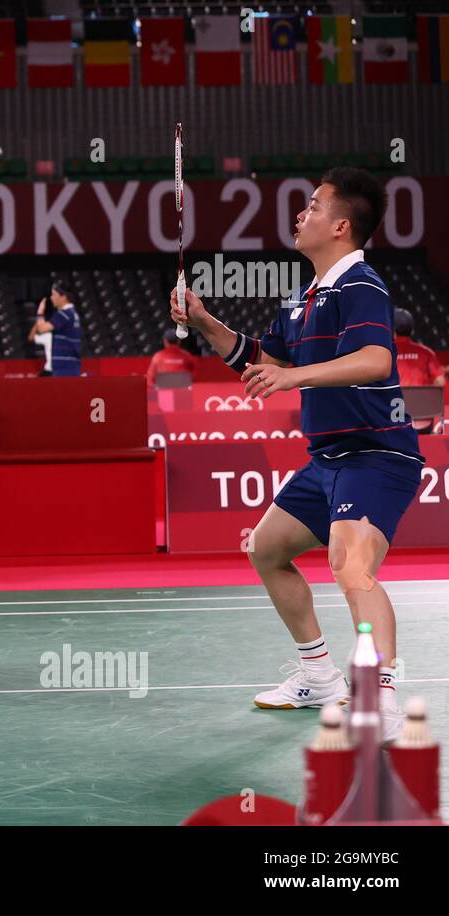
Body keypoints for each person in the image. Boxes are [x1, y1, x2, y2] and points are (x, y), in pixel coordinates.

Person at [171, 167, 423, 742]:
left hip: (377, 454)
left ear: (340, 225)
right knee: (266, 548)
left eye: (312, 206)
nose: (299, 214)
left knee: (350, 564)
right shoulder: (304, 296)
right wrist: (206, 321)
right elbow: (262, 358)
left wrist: (293, 379)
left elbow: (374, 361)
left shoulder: (360, 286)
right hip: (328, 459)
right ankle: (319, 675)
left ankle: (379, 695)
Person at [392, 307, 446, 433]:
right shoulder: (426, 353)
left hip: (395, 419)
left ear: (392, 331)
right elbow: (441, 383)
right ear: (412, 330)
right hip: (423, 421)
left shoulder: (387, 353)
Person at [29, 283, 82, 377]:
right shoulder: (72, 313)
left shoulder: (65, 314)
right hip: (70, 366)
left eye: (54, 294)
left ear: (63, 297)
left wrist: (40, 312)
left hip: (65, 368)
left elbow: (41, 329)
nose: (51, 297)